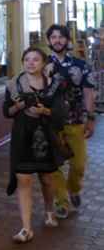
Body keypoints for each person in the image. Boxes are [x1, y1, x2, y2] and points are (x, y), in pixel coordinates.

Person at [4, 47, 67, 243]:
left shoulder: (53, 85)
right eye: (27, 59)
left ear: (43, 63)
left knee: (47, 179)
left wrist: (45, 111)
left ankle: (49, 210)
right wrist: (19, 106)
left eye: (36, 60)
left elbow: (60, 114)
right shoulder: (14, 85)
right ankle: (26, 228)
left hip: (45, 137)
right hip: (22, 137)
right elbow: (7, 111)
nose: (30, 63)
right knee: (23, 179)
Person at [44, 24, 97, 219]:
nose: (57, 40)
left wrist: (90, 118)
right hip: (49, 121)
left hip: (75, 120)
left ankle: (74, 188)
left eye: (61, 37)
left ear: (67, 40)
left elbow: (88, 92)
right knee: (53, 164)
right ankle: (62, 201)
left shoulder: (81, 65)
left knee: (79, 164)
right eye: (53, 37)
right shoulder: (41, 64)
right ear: (49, 41)